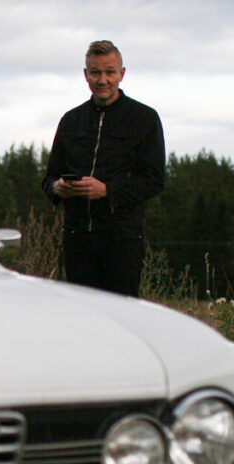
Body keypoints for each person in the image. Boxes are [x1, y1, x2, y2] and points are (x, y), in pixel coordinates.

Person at [42, 40, 165, 296]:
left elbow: (154, 181)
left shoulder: (144, 119)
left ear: (122, 74)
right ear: (86, 75)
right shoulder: (71, 120)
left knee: (121, 316)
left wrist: (107, 190)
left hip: (122, 241)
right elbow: (49, 177)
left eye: (109, 72)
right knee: (81, 317)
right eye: (96, 72)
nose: (102, 80)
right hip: (77, 240)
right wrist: (58, 188)